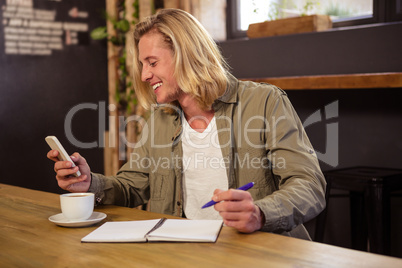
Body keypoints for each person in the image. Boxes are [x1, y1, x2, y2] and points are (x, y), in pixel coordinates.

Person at [48, 8, 326, 239]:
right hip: (182, 250)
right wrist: (89, 184)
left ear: (186, 54)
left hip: (259, 252)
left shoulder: (264, 102)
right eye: (143, 65)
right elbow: (131, 186)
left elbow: (308, 185)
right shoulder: (160, 119)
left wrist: (260, 213)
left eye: (152, 62)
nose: (145, 75)